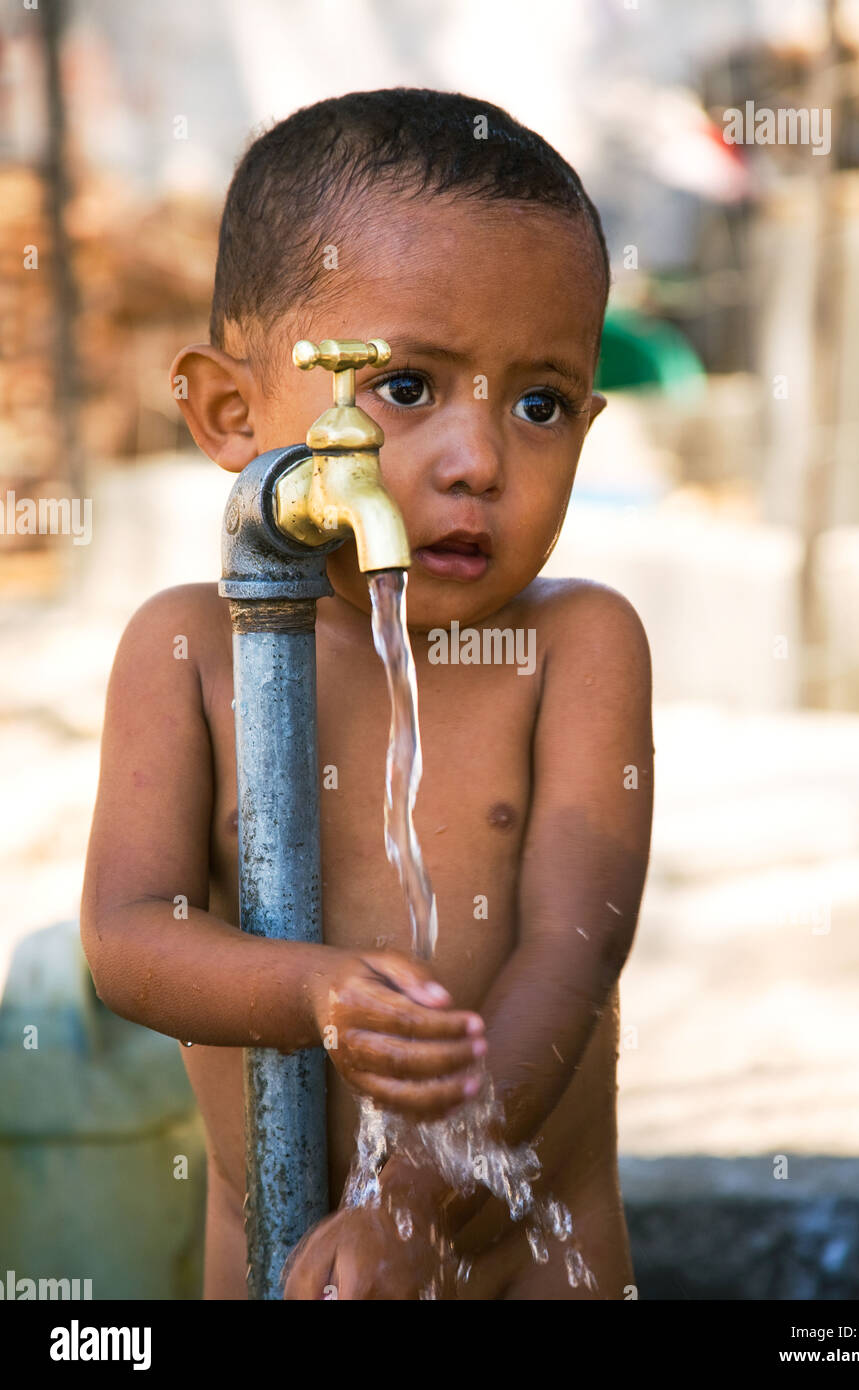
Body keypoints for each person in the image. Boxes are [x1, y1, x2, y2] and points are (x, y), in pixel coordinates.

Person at [80, 87, 654, 1300]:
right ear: (232, 412)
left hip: (523, 1261)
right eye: (404, 387)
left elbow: (572, 947)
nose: (477, 459)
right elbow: (129, 937)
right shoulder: (186, 649)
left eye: (540, 401)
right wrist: (311, 991)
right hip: (286, 1263)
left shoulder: (578, 648)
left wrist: (415, 1205)